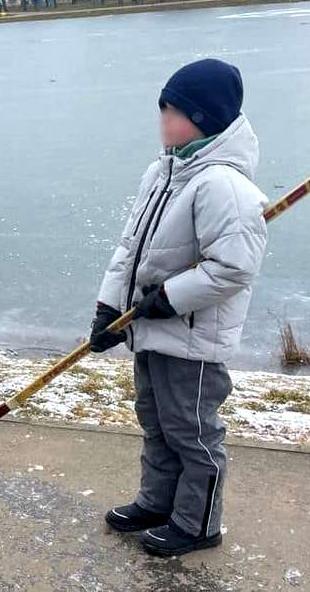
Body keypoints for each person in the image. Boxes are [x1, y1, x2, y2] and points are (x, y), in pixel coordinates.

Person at [89, 58, 268, 557]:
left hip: (192, 339)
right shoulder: (163, 173)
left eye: (172, 111)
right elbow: (131, 249)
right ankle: (158, 503)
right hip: (149, 329)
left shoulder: (223, 186)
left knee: (192, 433)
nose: (162, 120)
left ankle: (198, 523)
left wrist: (170, 299)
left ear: (204, 119)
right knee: (156, 422)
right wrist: (109, 309)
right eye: (162, 109)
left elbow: (233, 269)